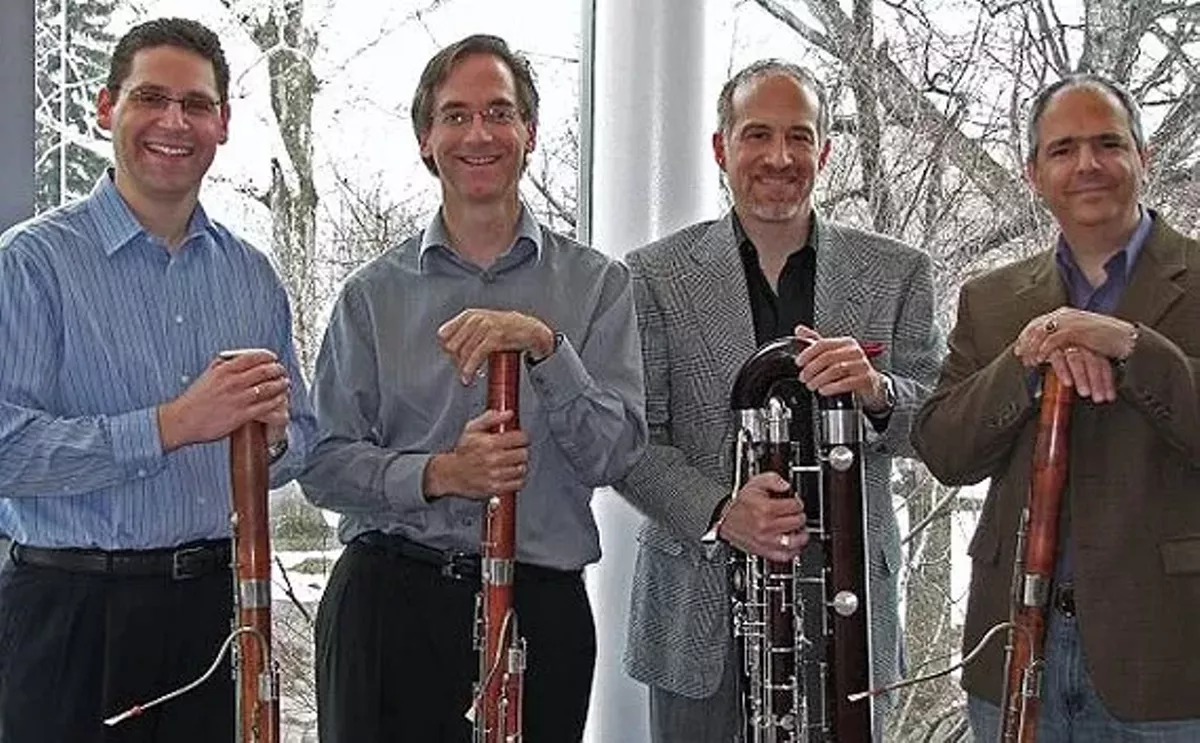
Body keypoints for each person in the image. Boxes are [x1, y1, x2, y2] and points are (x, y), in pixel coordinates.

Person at [299, 33, 646, 743]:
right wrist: (439, 474)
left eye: (499, 112)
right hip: (388, 608)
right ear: (426, 141)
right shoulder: (370, 296)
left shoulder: (598, 287)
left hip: (538, 611)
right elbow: (322, 464)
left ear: (530, 132)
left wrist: (546, 347)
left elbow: (615, 454)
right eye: (455, 116)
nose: (478, 134)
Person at [0, 17, 315, 743]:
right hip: (68, 614)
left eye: (196, 104)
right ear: (106, 108)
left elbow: (301, 441)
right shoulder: (30, 264)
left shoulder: (253, 277)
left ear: (222, 123)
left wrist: (271, 440)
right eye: (150, 98)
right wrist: (172, 424)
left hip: (212, 613)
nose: (174, 122)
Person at [613, 59, 940, 742]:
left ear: (825, 150)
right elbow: (630, 439)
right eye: (757, 134)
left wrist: (877, 392)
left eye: (799, 137)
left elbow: (938, 420)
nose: (780, 157)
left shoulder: (898, 272)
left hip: (848, 609)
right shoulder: (651, 274)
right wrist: (721, 513)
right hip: (699, 611)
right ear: (721, 148)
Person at [912, 73, 1200, 741]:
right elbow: (945, 450)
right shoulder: (991, 299)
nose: (1087, 164)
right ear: (1034, 174)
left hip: (1167, 656)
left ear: (1143, 157)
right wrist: (1026, 359)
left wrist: (1129, 345)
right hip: (1014, 648)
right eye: (1063, 149)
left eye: (1108, 144)